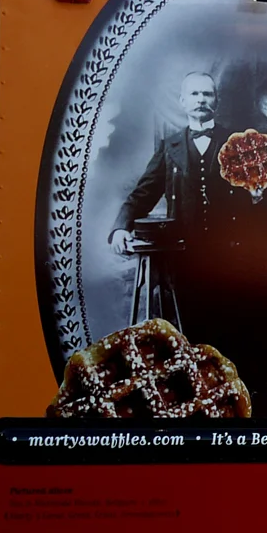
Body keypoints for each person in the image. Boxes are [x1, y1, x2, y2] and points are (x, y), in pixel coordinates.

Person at [111, 71, 231, 345]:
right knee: (190, 334)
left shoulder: (235, 141)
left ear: (216, 100)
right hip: (184, 258)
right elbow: (143, 193)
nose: (201, 99)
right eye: (194, 94)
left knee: (229, 334)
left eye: (207, 94)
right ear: (182, 101)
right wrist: (120, 227)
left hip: (229, 257)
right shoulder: (170, 146)